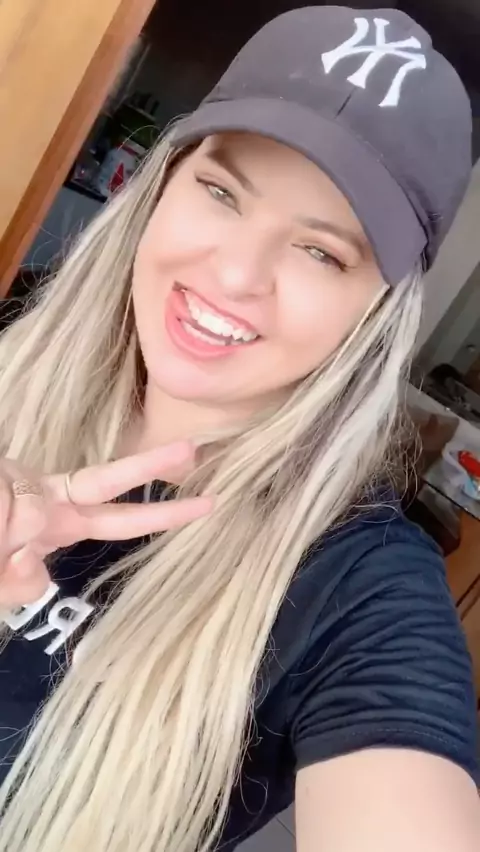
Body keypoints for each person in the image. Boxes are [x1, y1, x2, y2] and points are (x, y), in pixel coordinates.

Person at [0, 6, 478, 851]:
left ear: (376, 312)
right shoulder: (12, 334)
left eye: (322, 251)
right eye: (222, 193)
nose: (234, 274)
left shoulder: (357, 586)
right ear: (164, 183)